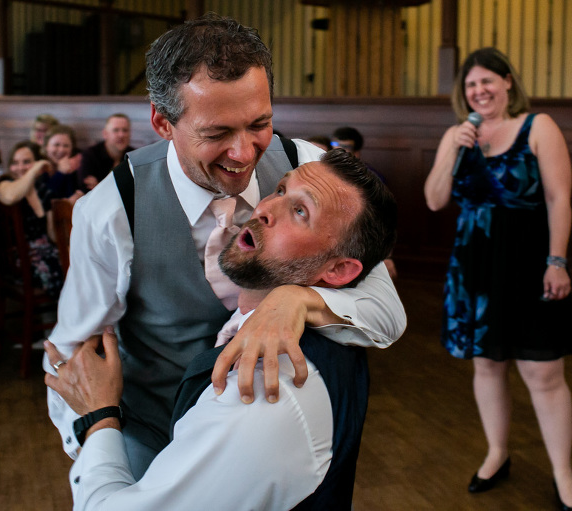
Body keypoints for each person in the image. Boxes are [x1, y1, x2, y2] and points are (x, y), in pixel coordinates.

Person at [44, 13, 406, 479]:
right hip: (154, 438)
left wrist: (299, 300)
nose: (244, 154)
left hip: (269, 437)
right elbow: (70, 355)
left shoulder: (307, 169)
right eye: (216, 134)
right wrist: (102, 461)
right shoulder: (112, 209)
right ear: (162, 122)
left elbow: (387, 313)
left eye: (259, 123)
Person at [45, 149, 397, 510]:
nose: (262, 208)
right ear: (163, 123)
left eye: (300, 211)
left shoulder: (255, 394)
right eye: (279, 190)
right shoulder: (113, 201)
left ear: (339, 272)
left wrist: (98, 417)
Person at [423, 48, 572, 511]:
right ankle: (497, 453)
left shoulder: (539, 127)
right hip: (473, 268)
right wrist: (454, 146)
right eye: (471, 86)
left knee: (544, 371)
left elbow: (559, 199)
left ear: (508, 82)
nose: (479, 91)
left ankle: (563, 475)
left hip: (531, 261)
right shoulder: (458, 134)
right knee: (486, 365)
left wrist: (557, 261)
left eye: (487, 82)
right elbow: (435, 200)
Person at [0, 140, 65, 297]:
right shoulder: (5, 184)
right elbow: (12, 196)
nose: (20, 167)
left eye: (26, 162)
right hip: (19, 260)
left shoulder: (44, 190)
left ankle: (71, 317)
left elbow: (53, 235)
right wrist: (33, 170)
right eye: (15, 162)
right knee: (59, 269)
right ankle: (64, 317)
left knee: (81, 264)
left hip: (47, 252)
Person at [331, 126, 397, 278]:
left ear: (357, 153)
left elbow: (384, 222)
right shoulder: (323, 174)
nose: (338, 151)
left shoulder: (373, 181)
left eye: (345, 147)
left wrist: (386, 256)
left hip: (359, 245)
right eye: (335, 146)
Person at [78, 113, 135, 192]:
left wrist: (99, 186)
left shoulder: (135, 155)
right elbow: (85, 188)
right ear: (105, 134)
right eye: (116, 130)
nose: (121, 135)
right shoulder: (90, 155)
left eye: (125, 130)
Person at [37, 124, 83, 215]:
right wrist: (60, 173)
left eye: (66, 146)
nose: (61, 150)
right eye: (56, 145)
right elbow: (44, 204)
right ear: (46, 147)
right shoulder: (40, 168)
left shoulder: (75, 168)